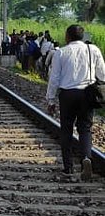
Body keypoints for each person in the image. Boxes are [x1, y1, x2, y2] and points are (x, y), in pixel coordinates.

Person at [45, 24, 105, 181]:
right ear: (82, 36)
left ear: (68, 36)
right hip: (87, 94)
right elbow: (103, 75)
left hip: (67, 95)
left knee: (66, 130)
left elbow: (54, 78)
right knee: (85, 128)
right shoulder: (93, 50)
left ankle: (68, 168)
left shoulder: (61, 52)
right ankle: (86, 158)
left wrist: (50, 99)